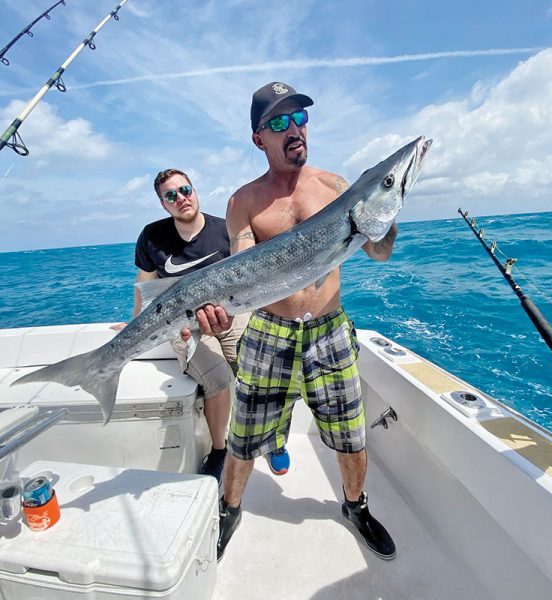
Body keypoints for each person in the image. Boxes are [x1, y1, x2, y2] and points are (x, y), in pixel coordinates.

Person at [190, 82, 398, 562]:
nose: (294, 130)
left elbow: (380, 253)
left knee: (351, 433)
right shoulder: (245, 200)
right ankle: (231, 506)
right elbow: (240, 266)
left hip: (329, 329)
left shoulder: (336, 187)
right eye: (279, 123)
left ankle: (355, 506)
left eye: (299, 118)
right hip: (267, 331)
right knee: (244, 437)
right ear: (259, 138)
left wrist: (387, 213)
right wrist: (218, 307)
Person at [131, 168, 289, 482]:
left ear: (195, 190)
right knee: (218, 377)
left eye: (185, 190)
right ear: (163, 204)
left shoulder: (225, 230)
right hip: (184, 324)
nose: (181, 199)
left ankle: (271, 438)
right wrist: (133, 325)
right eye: (171, 196)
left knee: (259, 369)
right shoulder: (151, 236)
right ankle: (220, 449)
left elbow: (252, 278)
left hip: (229, 315)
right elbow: (144, 285)